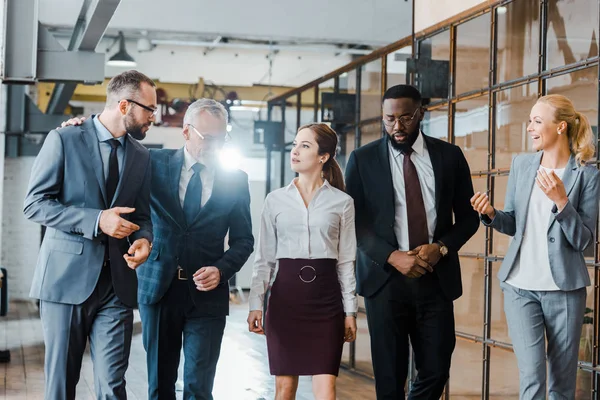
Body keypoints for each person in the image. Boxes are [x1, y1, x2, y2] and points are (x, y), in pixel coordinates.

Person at [61, 98, 254, 400]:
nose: (216, 146)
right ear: (187, 132)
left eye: (222, 138)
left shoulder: (236, 180)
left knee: (199, 387)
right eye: (209, 138)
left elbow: (244, 240)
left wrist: (222, 269)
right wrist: (77, 128)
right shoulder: (151, 162)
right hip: (159, 290)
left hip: (207, 297)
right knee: (160, 386)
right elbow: (110, 141)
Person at [23, 70, 155, 399]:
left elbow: (142, 215)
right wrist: (97, 221)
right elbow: (35, 205)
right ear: (124, 105)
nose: (155, 117)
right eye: (149, 109)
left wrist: (144, 239)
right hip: (65, 283)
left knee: (113, 386)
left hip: (117, 287)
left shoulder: (141, 156)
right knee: (61, 385)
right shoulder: (65, 139)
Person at [345, 84, 479, 399]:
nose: (397, 126)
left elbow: (469, 217)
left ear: (420, 113)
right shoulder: (362, 159)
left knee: (435, 371)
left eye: (405, 118)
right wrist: (392, 256)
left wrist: (441, 248)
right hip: (385, 282)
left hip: (436, 280)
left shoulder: (449, 156)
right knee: (389, 379)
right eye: (389, 119)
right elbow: (354, 221)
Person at [471, 94, 600, 399]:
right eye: (529, 120)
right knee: (532, 376)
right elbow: (514, 223)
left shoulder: (587, 175)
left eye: (537, 121)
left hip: (564, 290)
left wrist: (561, 201)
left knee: (561, 383)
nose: (529, 127)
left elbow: (584, 241)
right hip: (520, 286)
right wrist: (490, 214)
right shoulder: (523, 164)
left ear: (560, 127)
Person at [247, 123, 358, 400]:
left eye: (305, 146)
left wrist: (350, 312)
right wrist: (255, 304)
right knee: (284, 389)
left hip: (327, 302)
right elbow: (264, 258)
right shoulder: (275, 200)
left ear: (324, 156)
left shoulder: (342, 203)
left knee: (327, 389)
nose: (295, 151)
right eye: (295, 144)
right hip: (285, 301)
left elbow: (346, 262)